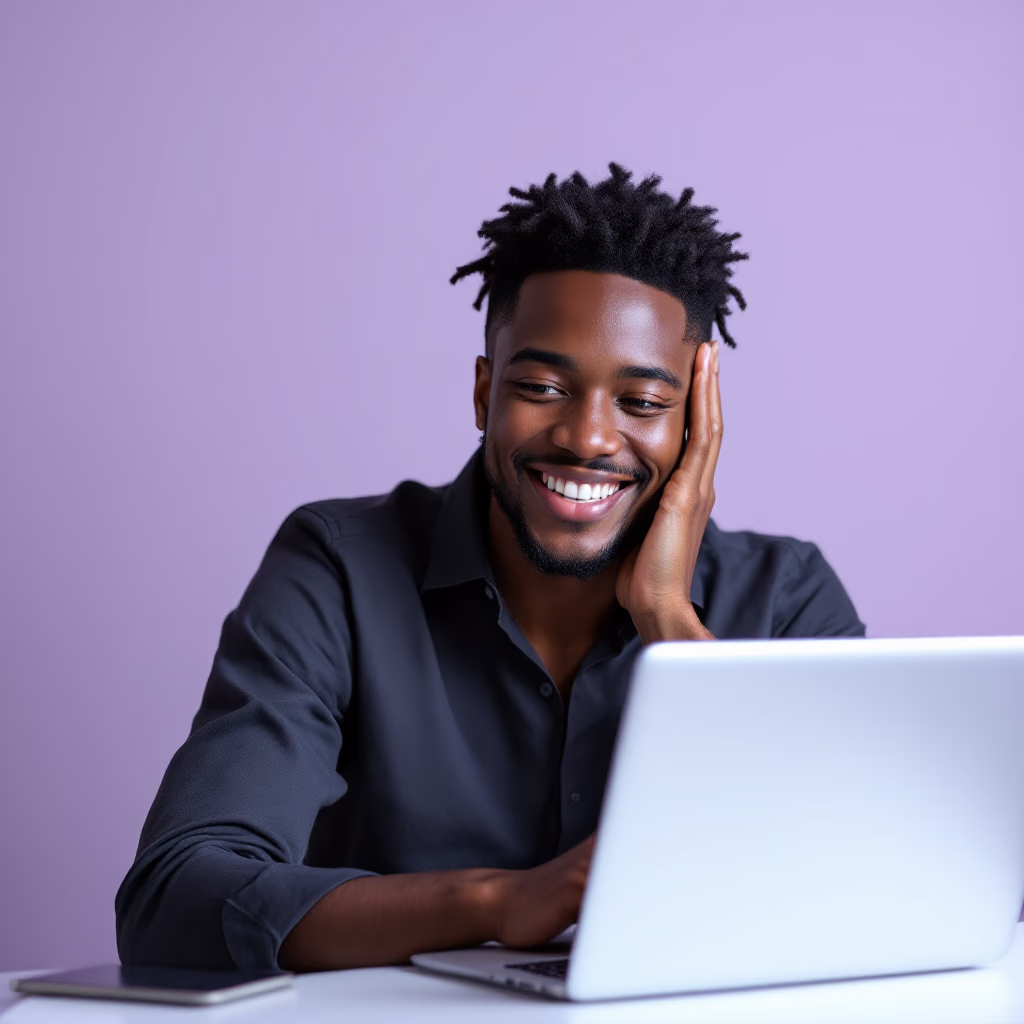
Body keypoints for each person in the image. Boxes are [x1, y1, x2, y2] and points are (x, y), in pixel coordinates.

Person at [115, 164, 864, 973]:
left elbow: (879, 879)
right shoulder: (339, 568)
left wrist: (667, 619)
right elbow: (175, 896)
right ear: (483, 393)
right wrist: (501, 902)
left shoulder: (786, 599)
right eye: (542, 386)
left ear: (696, 427)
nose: (587, 437)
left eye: (643, 404)